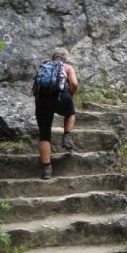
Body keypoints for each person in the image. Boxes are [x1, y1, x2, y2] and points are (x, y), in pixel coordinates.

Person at [34, 48, 78, 180]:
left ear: (53, 57)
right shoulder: (67, 67)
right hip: (61, 97)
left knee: (44, 135)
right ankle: (66, 136)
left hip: (42, 101)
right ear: (65, 58)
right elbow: (74, 83)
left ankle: (47, 170)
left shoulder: (43, 67)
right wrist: (70, 95)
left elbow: (36, 87)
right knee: (70, 113)